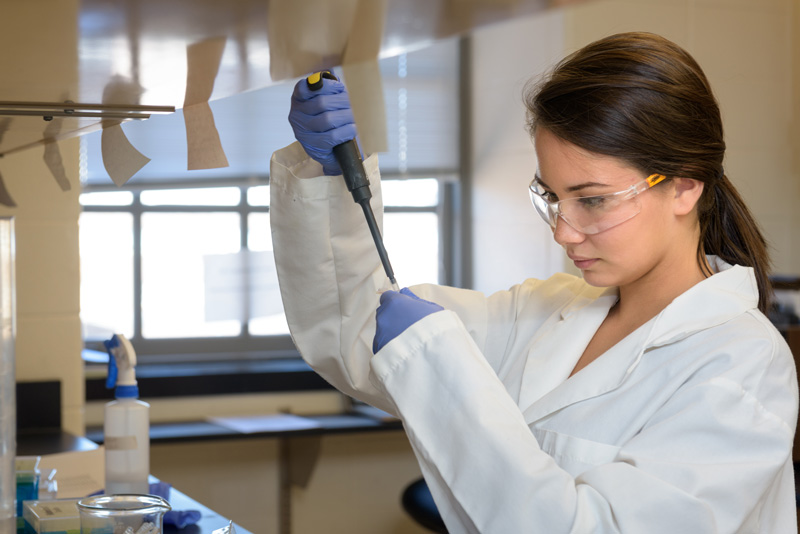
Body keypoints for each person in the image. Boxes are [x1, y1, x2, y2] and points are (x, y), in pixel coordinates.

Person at [270, 32, 799, 533]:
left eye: (592, 200)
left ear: (684, 187)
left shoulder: (743, 364)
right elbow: (359, 335)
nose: (564, 232)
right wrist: (333, 177)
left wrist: (441, 366)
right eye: (552, 197)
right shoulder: (545, 312)